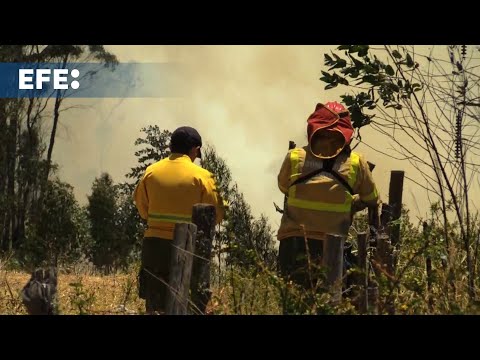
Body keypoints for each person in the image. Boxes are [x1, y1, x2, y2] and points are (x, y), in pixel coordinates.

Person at [276, 102, 379, 310]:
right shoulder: (358, 163)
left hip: (293, 243)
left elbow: (284, 187)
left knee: (294, 306)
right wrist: (350, 202)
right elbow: (372, 198)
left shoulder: (295, 157)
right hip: (332, 247)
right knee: (331, 306)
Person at [133, 126, 225, 314]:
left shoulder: (151, 172)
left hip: (155, 246)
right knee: (192, 304)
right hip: (189, 247)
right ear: (195, 149)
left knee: (155, 304)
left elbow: (142, 208)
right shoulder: (202, 176)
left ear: (171, 146)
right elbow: (216, 214)